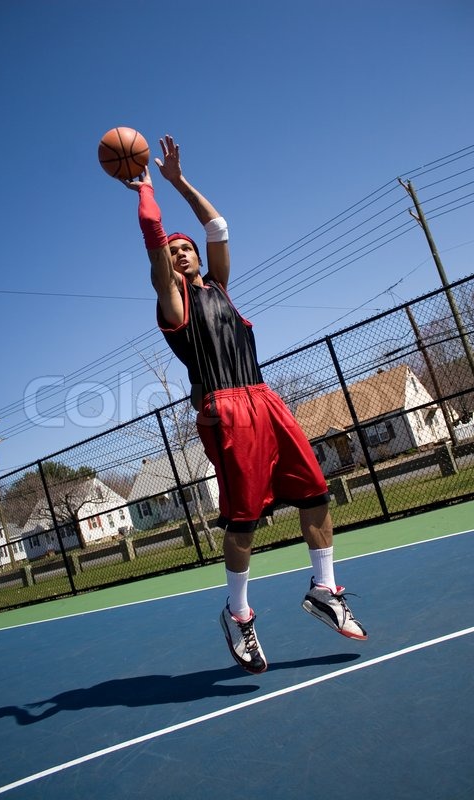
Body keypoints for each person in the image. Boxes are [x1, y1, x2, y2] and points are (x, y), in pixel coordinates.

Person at [123, 135, 367, 674]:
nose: (182, 251)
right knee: (244, 522)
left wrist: (178, 181)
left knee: (317, 494)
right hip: (225, 411)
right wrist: (144, 189)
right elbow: (151, 235)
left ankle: (324, 590)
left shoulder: (220, 288)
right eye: (174, 249)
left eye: (186, 248)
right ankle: (237, 615)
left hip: (265, 400)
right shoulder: (172, 303)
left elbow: (218, 228)